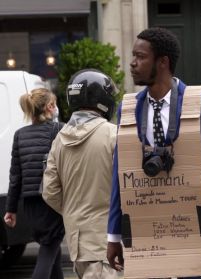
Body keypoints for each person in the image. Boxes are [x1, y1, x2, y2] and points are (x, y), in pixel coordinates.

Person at [107, 27, 201, 279]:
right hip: (146, 225)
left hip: (194, 223)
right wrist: (113, 234)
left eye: (140, 56)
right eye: (133, 56)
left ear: (163, 62)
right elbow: (119, 175)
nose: (132, 64)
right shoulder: (128, 108)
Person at [42, 69, 119, 279]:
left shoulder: (59, 139)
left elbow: (50, 192)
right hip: (108, 245)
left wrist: (74, 210)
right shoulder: (113, 134)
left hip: (78, 245)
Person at [3, 88, 65, 279]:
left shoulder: (20, 135)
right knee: (48, 250)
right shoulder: (58, 130)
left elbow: (15, 177)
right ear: (50, 106)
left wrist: (10, 210)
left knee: (52, 250)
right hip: (52, 204)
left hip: (29, 207)